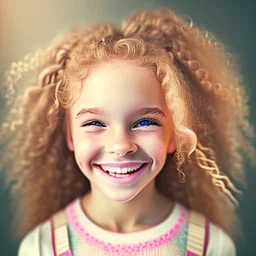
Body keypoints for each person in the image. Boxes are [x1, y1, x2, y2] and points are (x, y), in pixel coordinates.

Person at [1, 7, 255, 256]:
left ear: (174, 135)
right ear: (69, 135)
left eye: (145, 122)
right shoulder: (42, 247)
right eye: (95, 123)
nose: (121, 145)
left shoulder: (212, 246)